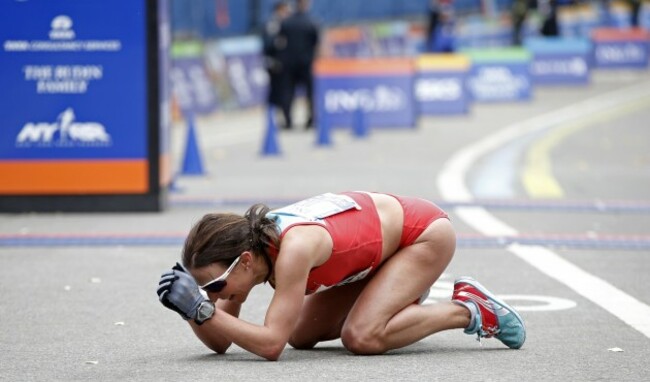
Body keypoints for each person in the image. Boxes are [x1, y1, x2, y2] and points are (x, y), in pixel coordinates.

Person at [157, 191, 526, 361]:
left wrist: (203, 311)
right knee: (301, 335)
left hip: (423, 235)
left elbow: (269, 345)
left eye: (214, 286)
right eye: (206, 289)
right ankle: (399, 294)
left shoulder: (292, 250)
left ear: (246, 261)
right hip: (376, 254)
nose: (214, 295)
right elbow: (222, 342)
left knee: (362, 336)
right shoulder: (252, 251)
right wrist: (190, 310)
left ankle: (470, 309)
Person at [276, 0, 319, 129]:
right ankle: (310, 120)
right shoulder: (311, 22)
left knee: (288, 92)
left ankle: (288, 120)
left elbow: (280, 41)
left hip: (289, 63)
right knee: (309, 92)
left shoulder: (286, 22)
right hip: (306, 62)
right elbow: (316, 42)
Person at [262, 1, 291, 128]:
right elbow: (268, 44)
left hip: (285, 63)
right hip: (275, 63)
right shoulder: (273, 24)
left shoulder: (287, 23)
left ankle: (284, 118)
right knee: (275, 92)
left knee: (284, 92)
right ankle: (272, 118)